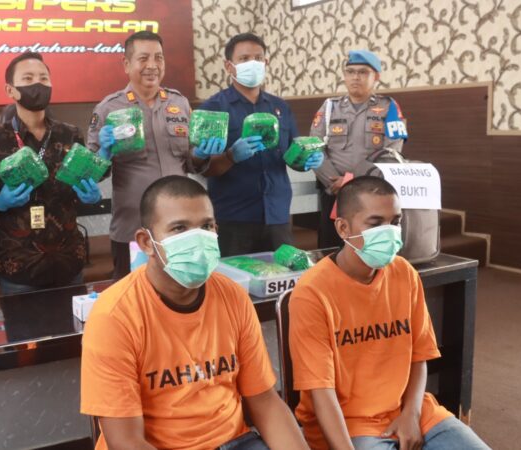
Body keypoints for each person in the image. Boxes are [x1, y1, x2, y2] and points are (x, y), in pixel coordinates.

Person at [80, 175, 308, 450]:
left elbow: (265, 401)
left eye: (206, 226)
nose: (198, 238)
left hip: (234, 441)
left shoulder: (233, 296)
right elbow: (126, 441)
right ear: (146, 242)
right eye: (179, 228)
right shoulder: (114, 316)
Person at [288, 176, 490, 450]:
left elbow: (419, 356)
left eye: (395, 222)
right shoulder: (313, 292)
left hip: (413, 411)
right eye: (375, 223)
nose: (390, 232)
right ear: (343, 228)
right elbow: (320, 391)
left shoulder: (404, 273)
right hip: (349, 424)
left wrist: (411, 415)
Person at [87, 31, 224, 280]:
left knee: (180, 290)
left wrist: (201, 154)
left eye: (158, 58)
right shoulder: (108, 109)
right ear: (126, 64)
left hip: (180, 228)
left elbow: (191, 163)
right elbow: (92, 173)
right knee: (133, 296)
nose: (152, 65)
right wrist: (104, 152)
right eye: (143, 58)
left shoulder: (179, 103)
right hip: (133, 228)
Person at [0, 52, 103, 295]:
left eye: (43, 78)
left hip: (69, 262)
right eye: (28, 78)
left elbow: (81, 183)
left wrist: (91, 196)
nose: (37, 84)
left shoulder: (71, 134)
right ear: (10, 90)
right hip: (19, 265)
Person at [199, 33, 322, 257]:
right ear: (229, 66)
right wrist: (230, 156)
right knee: (232, 276)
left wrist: (306, 160)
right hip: (233, 217)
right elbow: (204, 167)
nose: (253, 64)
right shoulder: (213, 108)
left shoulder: (280, 107)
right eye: (244, 59)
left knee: (281, 274)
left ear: (266, 62)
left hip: (277, 214)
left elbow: (292, 155)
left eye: (258, 58)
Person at [310, 50, 408, 249]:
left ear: (376, 77)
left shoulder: (389, 107)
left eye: (363, 72)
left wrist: (352, 181)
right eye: (350, 71)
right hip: (333, 192)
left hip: (371, 194)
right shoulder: (329, 107)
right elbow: (314, 147)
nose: (355, 77)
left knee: (368, 247)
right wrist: (334, 182)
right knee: (331, 247)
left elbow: (391, 153)